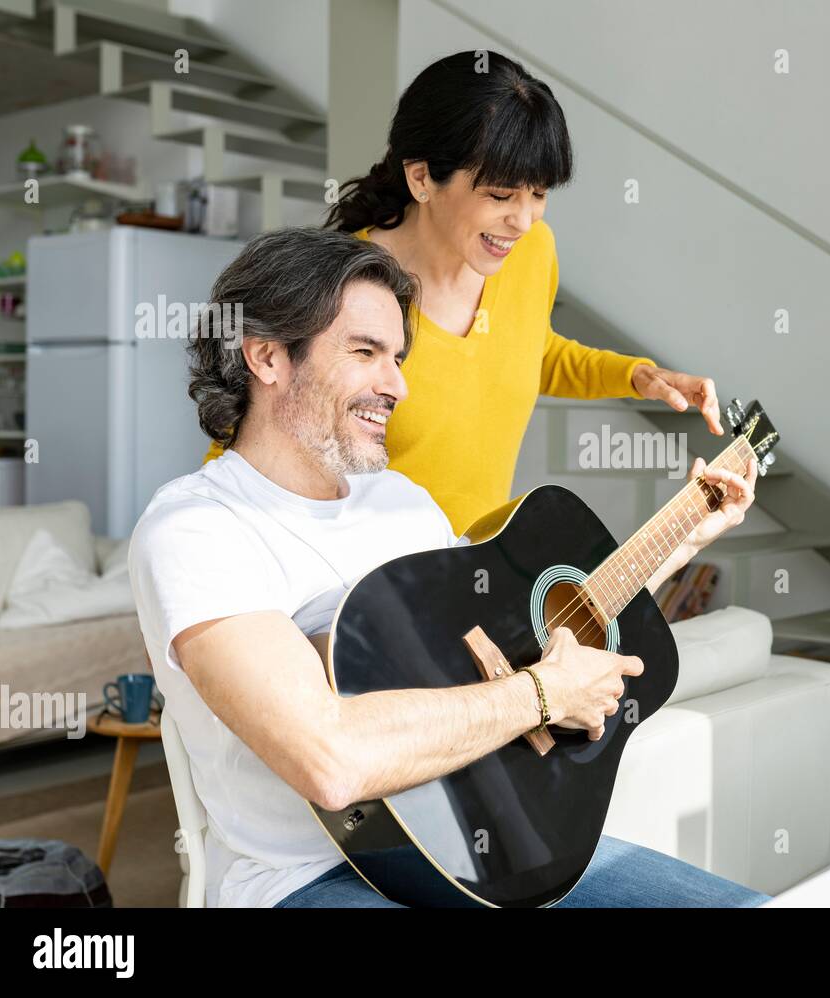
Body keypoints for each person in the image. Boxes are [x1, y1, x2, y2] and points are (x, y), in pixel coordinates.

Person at [130, 227, 766, 908]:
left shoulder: (402, 503)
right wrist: (545, 694)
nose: (397, 384)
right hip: (310, 879)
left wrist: (679, 539)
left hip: (483, 846)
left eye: (398, 357)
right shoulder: (197, 529)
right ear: (267, 357)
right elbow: (331, 760)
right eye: (366, 352)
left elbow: (505, 640)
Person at [206, 49, 723, 537]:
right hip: (366, 591)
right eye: (500, 195)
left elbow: (531, 351)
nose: (523, 220)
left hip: (478, 575)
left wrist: (635, 375)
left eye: (539, 194)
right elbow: (249, 446)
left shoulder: (532, 252)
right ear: (422, 177)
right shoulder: (338, 289)